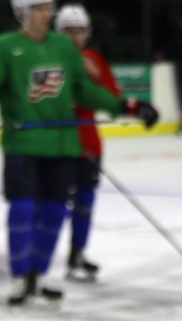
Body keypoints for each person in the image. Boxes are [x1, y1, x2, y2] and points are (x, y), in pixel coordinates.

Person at [0, 0, 158, 306]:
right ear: (23, 13)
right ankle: (19, 277)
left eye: (48, 8)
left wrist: (126, 105)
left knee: (55, 212)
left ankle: (39, 275)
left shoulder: (64, 47)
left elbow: (84, 90)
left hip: (63, 144)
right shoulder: (4, 46)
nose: (46, 14)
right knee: (22, 210)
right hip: (23, 144)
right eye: (38, 8)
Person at [55, 4, 118, 283]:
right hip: (57, 144)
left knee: (85, 201)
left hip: (89, 144)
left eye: (79, 31)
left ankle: (77, 253)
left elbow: (112, 95)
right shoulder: (49, 59)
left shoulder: (93, 58)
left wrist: (97, 76)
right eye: (69, 31)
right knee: (53, 204)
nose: (75, 36)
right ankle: (39, 261)